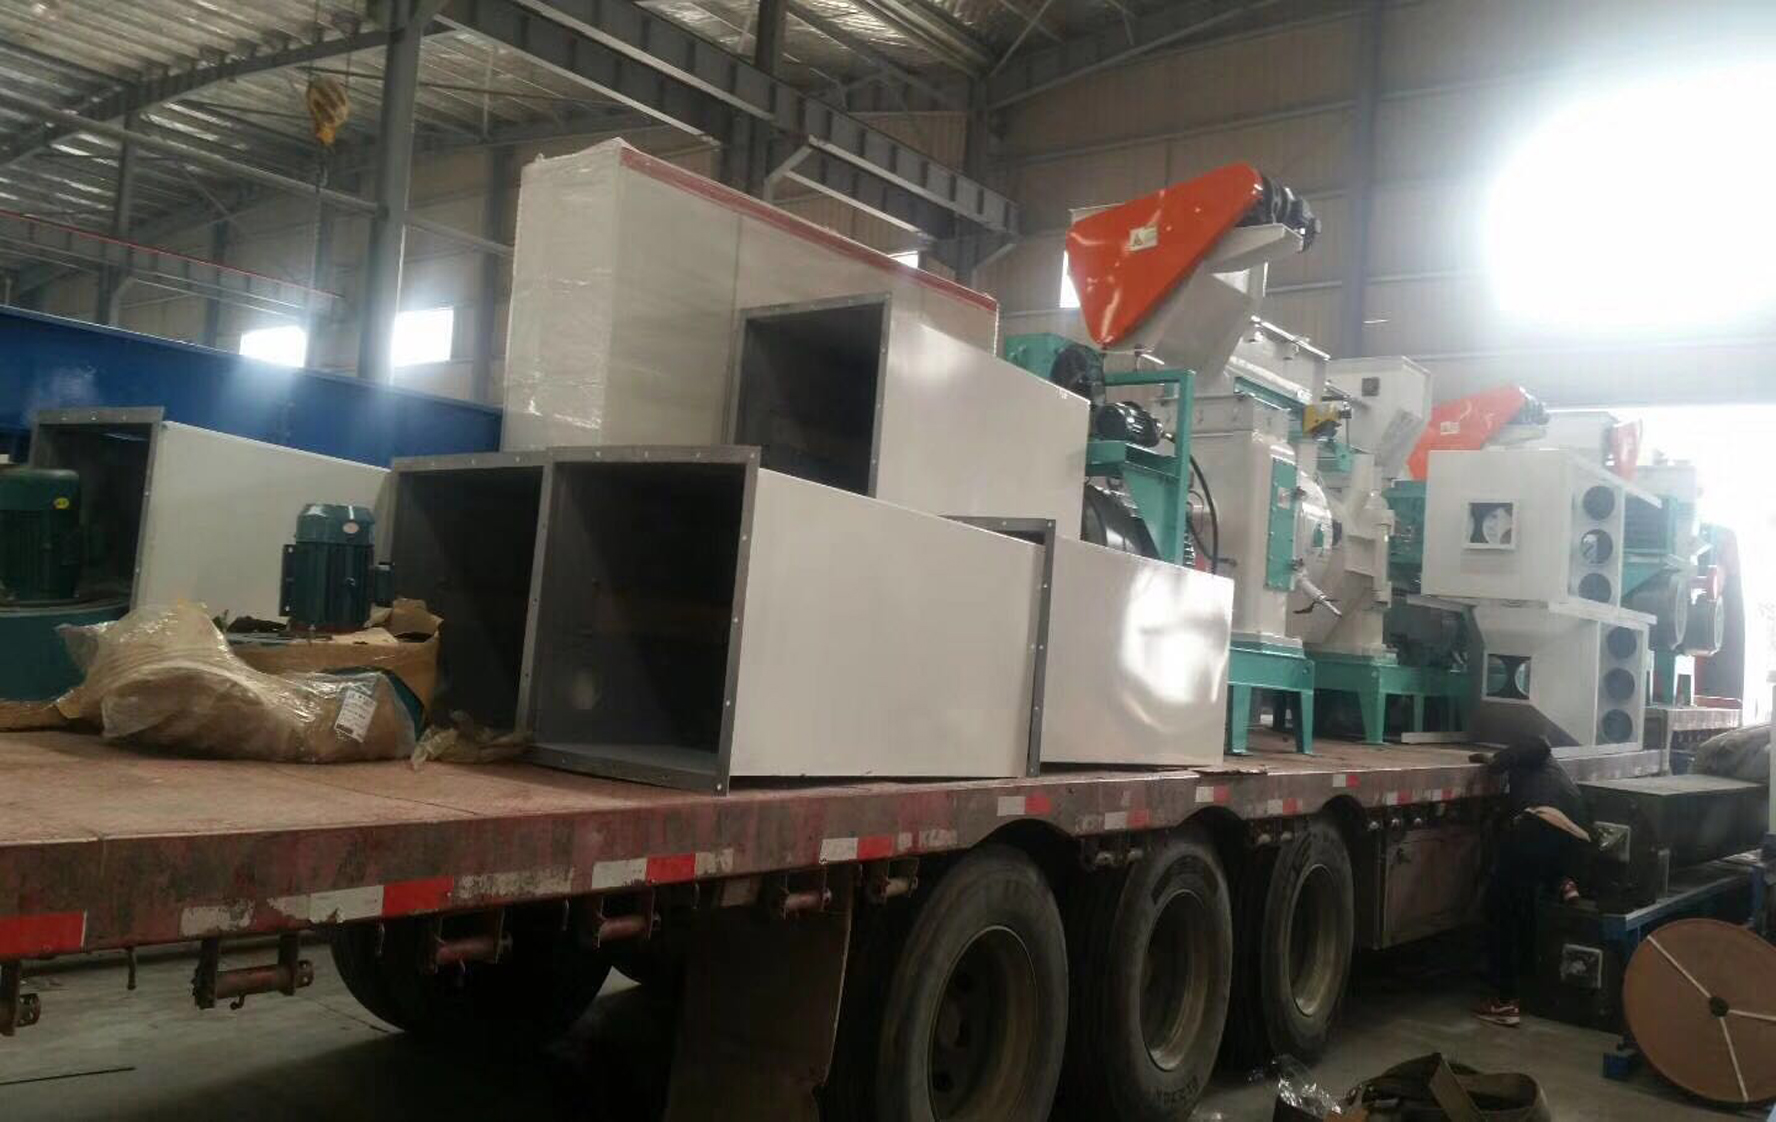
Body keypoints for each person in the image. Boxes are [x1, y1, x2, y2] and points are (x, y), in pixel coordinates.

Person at [1469, 737, 1593, 1027]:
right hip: (1575, 839)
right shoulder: (1555, 775)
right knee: (1523, 907)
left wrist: (1496, 760)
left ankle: (1504, 1002)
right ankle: (1563, 881)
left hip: (1541, 824)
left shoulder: (1535, 752)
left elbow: (1538, 743)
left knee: (1499, 910)